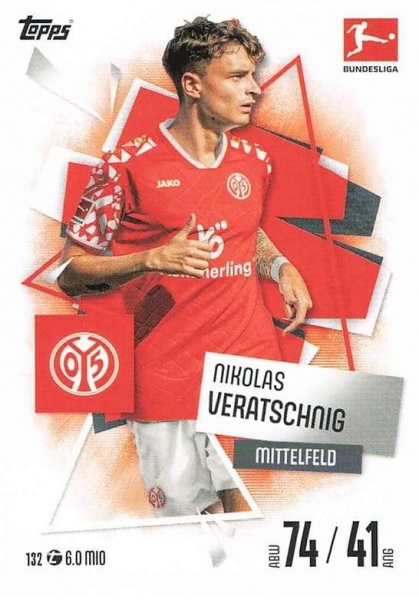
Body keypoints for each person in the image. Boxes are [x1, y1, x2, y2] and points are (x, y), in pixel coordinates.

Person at [57, 16, 312, 517]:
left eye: (253, 75)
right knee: (195, 537)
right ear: (193, 85)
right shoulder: (125, 166)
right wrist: (150, 259)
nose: (255, 89)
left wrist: (281, 265)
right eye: (237, 77)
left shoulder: (255, 160)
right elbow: (71, 272)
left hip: (245, 371)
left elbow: (242, 229)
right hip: (162, 379)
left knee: (255, 518)